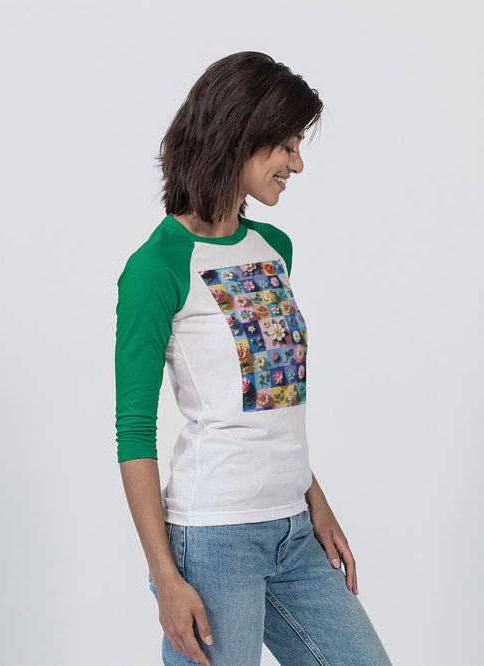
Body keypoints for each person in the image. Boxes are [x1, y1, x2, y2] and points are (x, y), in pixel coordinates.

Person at [115, 51, 392, 666]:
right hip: (214, 538)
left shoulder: (273, 248)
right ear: (240, 135)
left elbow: (271, 399)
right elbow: (133, 431)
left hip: (295, 532)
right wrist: (164, 576)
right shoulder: (157, 268)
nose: (297, 163)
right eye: (286, 146)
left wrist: (316, 503)